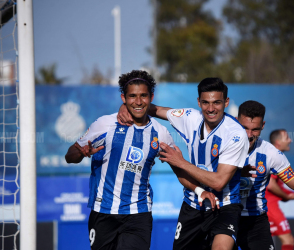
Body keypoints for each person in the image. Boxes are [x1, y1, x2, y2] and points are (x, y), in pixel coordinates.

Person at [118, 77, 249, 250]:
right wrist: (125, 107)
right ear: (198, 102)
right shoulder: (190, 117)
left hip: (224, 206)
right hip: (193, 205)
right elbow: (152, 109)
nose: (211, 109)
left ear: (226, 102)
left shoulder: (235, 134)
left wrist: (180, 162)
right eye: (205, 102)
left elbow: (219, 182)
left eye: (216, 102)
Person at [65, 70, 185, 250]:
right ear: (124, 98)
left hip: (138, 214)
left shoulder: (161, 133)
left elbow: (180, 169)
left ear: (151, 96)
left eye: (143, 96)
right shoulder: (105, 123)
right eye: (132, 96)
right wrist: (82, 152)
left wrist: (200, 191)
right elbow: (69, 156)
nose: (138, 102)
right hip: (103, 212)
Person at [235, 100, 294, 250]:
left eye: (254, 129)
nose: (248, 135)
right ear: (236, 121)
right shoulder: (220, 145)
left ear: (263, 126)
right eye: (244, 128)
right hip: (226, 216)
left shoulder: (271, 153)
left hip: (256, 221)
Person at [265, 129, 294, 250]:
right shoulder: (275, 157)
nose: (290, 140)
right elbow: (270, 184)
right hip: (270, 207)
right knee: (288, 239)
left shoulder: (270, 154)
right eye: (287, 138)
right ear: (278, 142)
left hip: (265, 205)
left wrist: (289, 194)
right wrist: (286, 196)